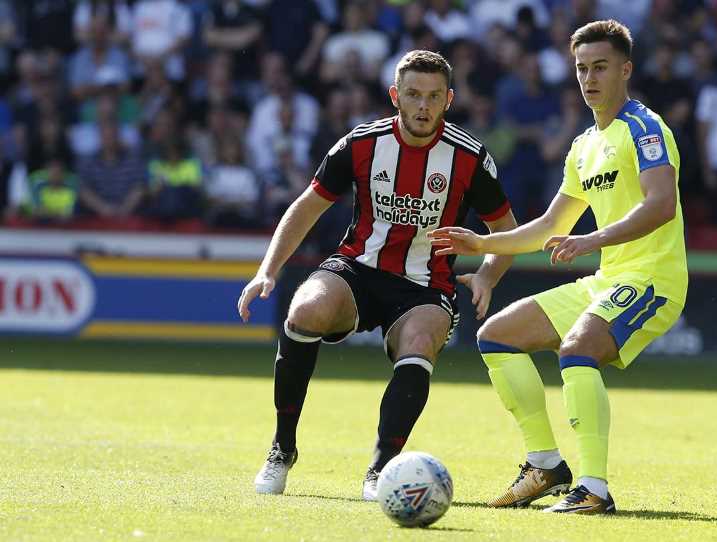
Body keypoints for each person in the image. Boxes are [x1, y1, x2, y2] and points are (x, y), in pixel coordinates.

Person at [429, 20, 686, 514]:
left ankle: (594, 488)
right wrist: (485, 243)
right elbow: (550, 224)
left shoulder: (646, 128)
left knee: (578, 349)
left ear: (626, 70)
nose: (589, 78)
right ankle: (545, 464)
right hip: (609, 280)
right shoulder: (584, 145)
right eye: (582, 68)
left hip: (653, 278)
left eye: (601, 67)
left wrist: (593, 238)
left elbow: (661, 205)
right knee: (497, 335)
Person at [237, 50, 517, 498]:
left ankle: (382, 471)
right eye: (413, 95)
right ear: (395, 97)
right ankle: (281, 449)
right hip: (358, 268)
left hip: (426, 286)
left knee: (421, 342)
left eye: (432, 96)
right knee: (304, 311)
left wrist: (487, 275)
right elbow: (306, 206)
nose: (422, 106)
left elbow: (506, 230)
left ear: (449, 99)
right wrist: (266, 271)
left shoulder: (468, 157)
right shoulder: (361, 143)